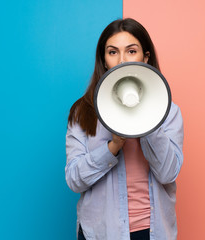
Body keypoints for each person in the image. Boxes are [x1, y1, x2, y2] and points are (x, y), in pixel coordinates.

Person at [65, 18, 184, 240]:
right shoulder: (83, 112)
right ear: (104, 59)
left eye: (131, 51)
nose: (122, 60)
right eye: (112, 52)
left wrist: (149, 120)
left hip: (151, 231)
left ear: (145, 57)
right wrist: (113, 146)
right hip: (101, 233)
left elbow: (168, 173)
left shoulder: (169, 112)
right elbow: (74, 180)